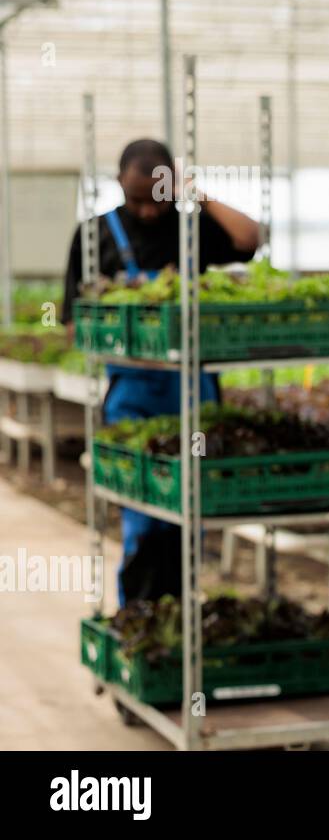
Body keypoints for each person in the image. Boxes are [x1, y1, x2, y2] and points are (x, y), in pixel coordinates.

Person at [61, 139, 260, 605]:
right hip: (134, 396)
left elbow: (249, 238)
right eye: (137, 200)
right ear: (117, 184)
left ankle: (180, 617)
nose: (148, 212)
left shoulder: (192, 228)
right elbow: (74, 325)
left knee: (192, 511)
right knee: (145, 515)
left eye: (158, 198)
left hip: (194, 394)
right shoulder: (94, 234)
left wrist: (197, 193)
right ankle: (141, 611)